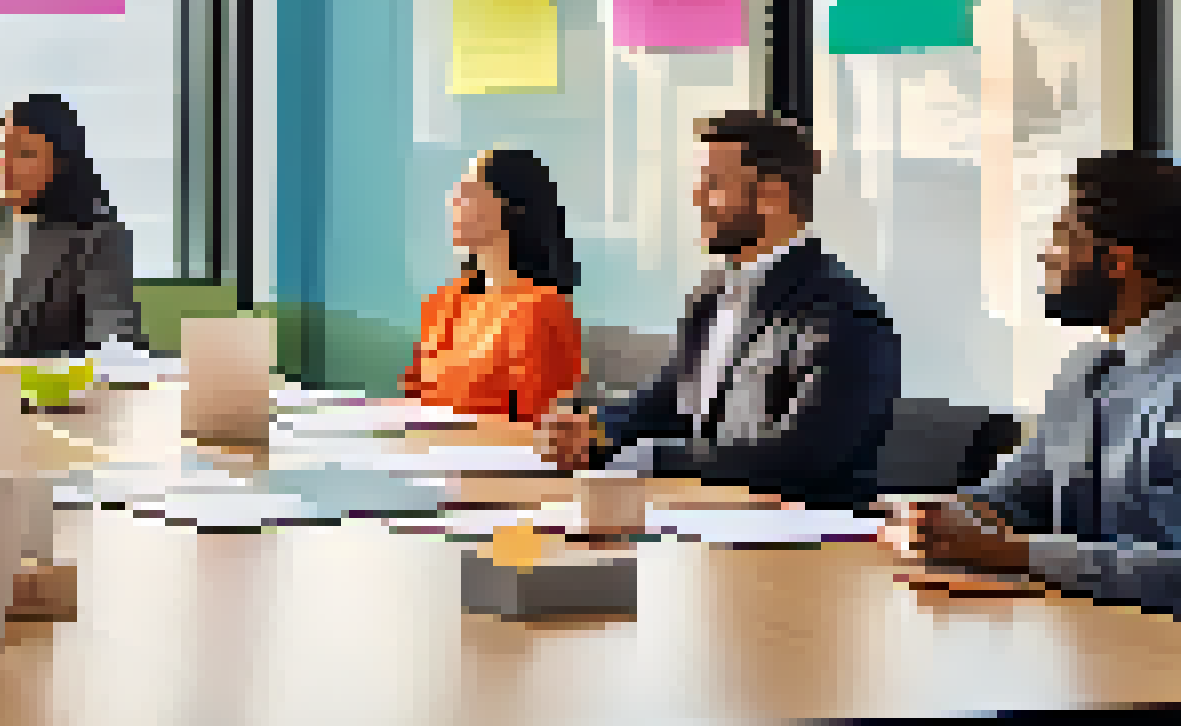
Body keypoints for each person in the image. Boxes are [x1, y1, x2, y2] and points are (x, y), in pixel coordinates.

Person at [536, 109, 901, 508]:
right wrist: (595, 429)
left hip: (799, 535)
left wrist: (647, 459)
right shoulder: (712, 292)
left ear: (772, 197)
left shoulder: (847, 317)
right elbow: (665, 402)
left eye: (713, 185)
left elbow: (799, 461)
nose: (696, 199)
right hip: (699, 517)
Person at [887, 151, 1181, 613]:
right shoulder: (1087, 368)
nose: (1045, 254)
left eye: (1063, 236)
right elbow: (1010, 495)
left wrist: (1021, 554)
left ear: (1117, 261)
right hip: (1080, 632)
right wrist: (938, 516)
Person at [0, 93, 142, 358]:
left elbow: (112, 345)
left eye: (24, 154)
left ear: (60, 163)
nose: (5, 166)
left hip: (59, 384)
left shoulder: (97, 238)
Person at [401, 149, 582, 422]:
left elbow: (539, 431)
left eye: (468, 193)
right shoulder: (448, 301)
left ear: (511, 206)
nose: (453, 202)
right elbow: (413, 402)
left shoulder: (541, 310)